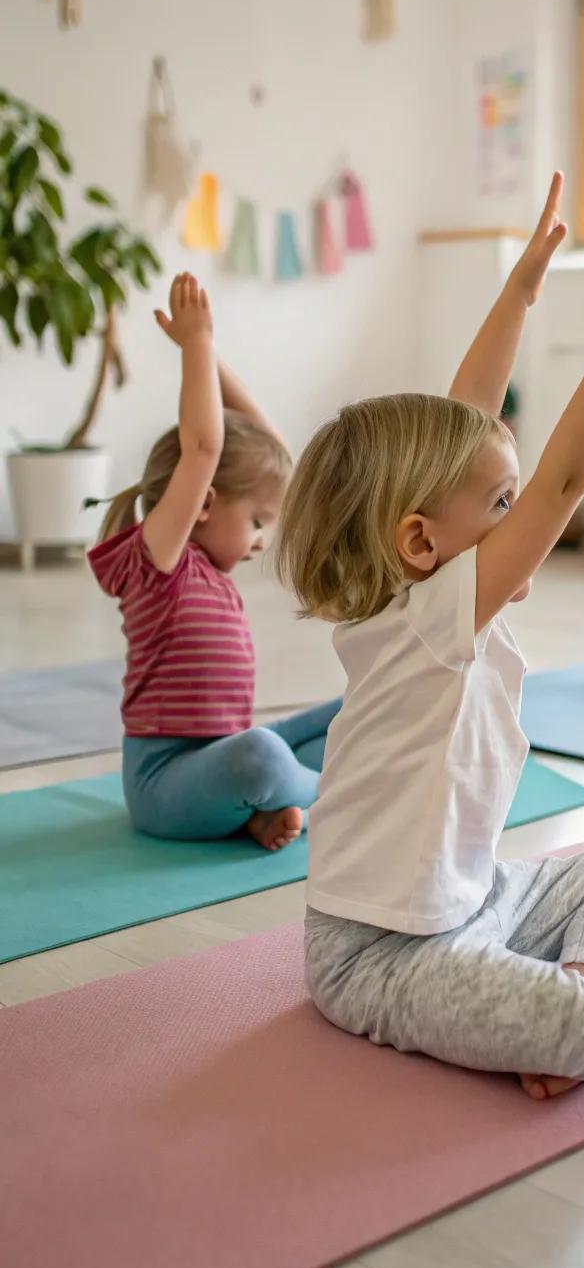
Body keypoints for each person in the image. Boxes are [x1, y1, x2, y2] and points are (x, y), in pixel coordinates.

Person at [277, 174, 584, 1100]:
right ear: (422, 541)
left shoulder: (416, 588)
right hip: (380, 954)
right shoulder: (427, 622)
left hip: (477, 897)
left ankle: (582, 983)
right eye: (503, 505)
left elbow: (470, 412)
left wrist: (524, 287)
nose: (523, 516)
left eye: (512, 498)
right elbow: (564, 483)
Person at [88, 272, 342, 848]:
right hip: (164, 785)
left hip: (223, 757)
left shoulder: (210, 570)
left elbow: (273, 457)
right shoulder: (158, 563)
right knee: (260, 754)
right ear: (202, 503)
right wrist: (196, 348)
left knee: (357, 707)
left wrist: (210, 357)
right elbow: (205, 448)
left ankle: (265, 807)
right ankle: (333, 790)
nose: (260, 540)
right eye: (256, 522)